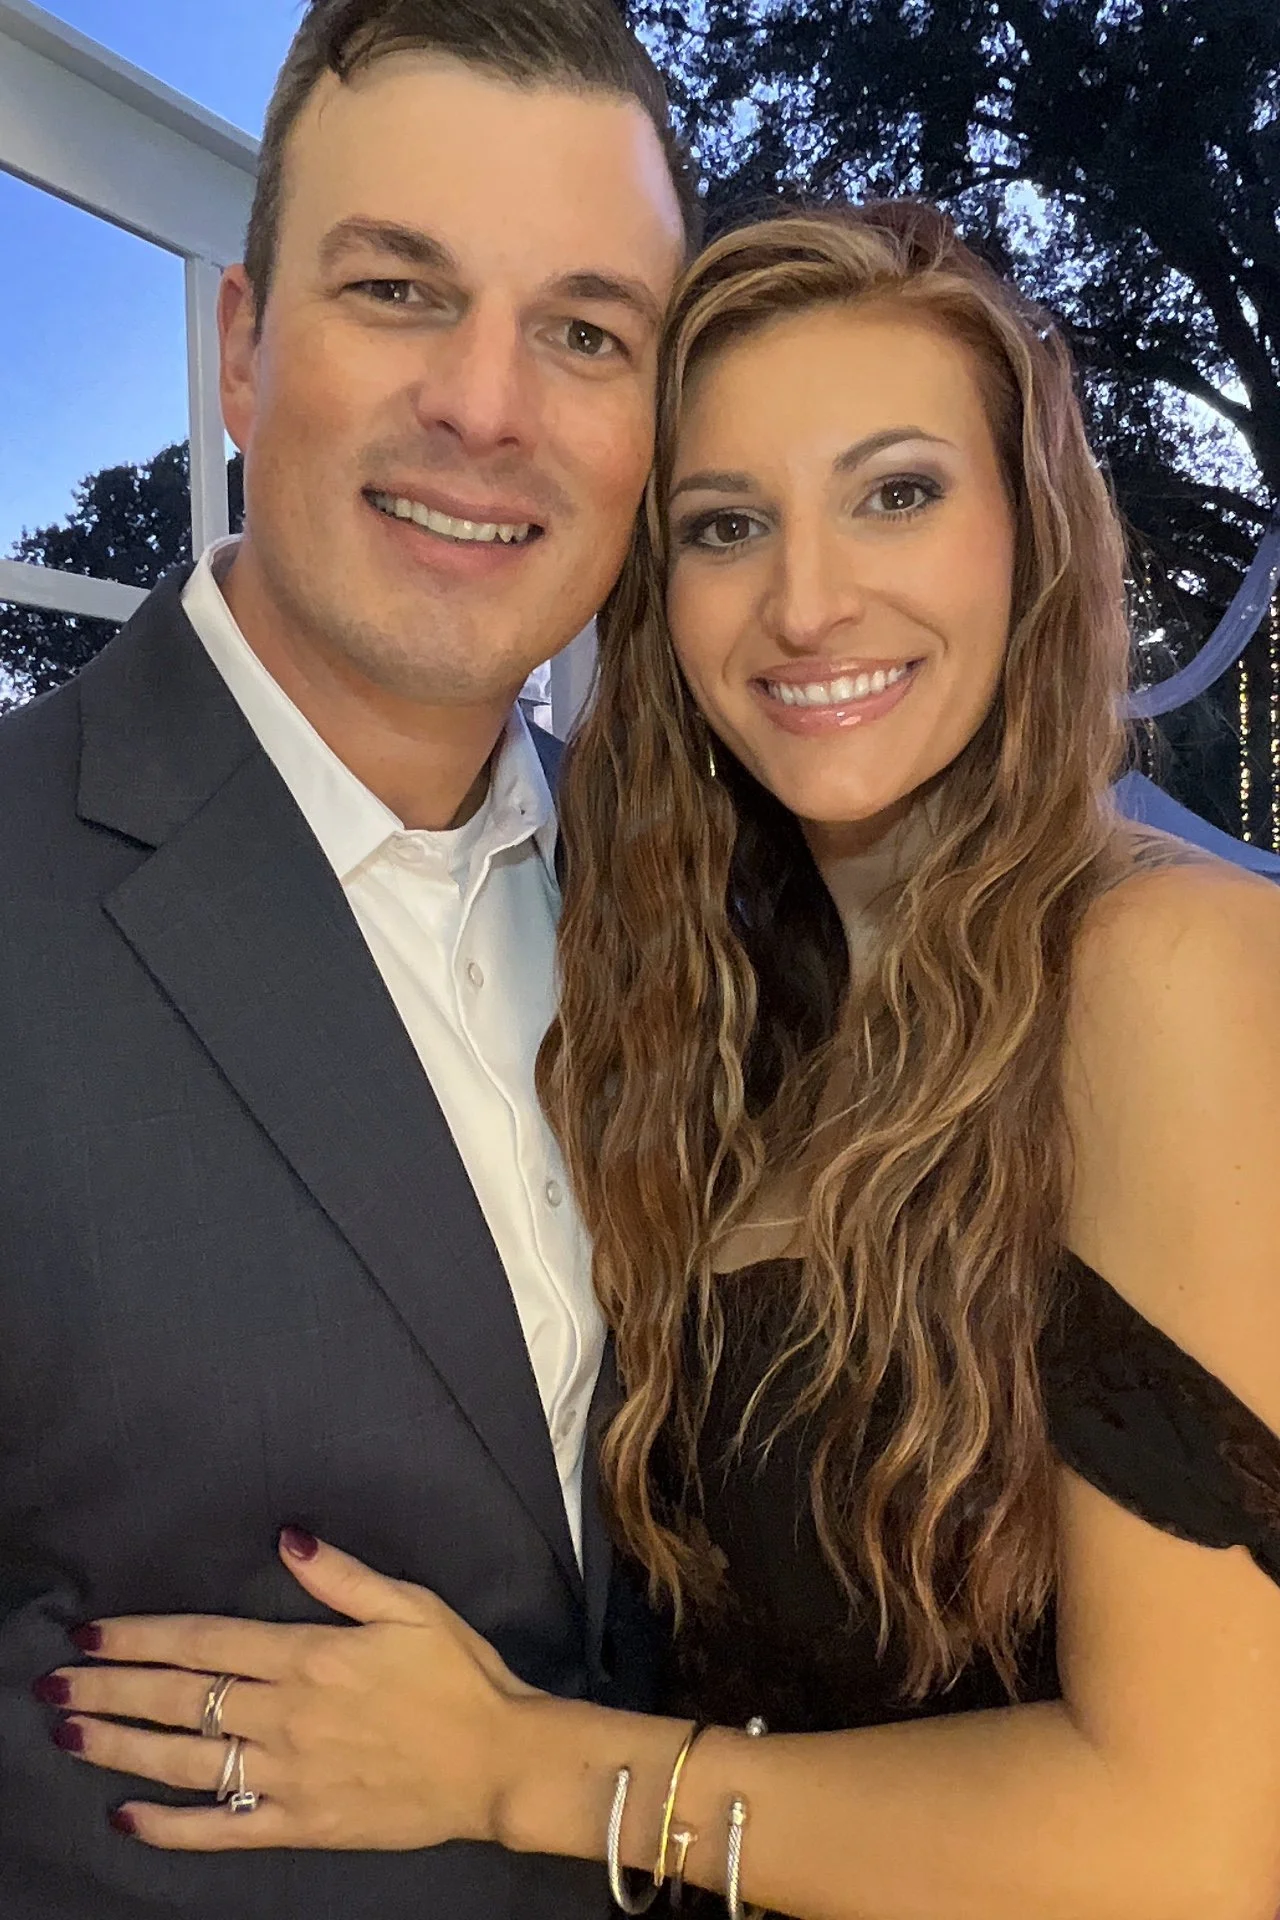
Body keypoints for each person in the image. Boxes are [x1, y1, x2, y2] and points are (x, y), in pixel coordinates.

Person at [37, 205, 1280, 1920]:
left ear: (1030, 535)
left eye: (898, 492)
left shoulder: (1169, 968)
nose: (808, 600)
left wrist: (514, 1769)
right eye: (726, 525)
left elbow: (1198, 1846)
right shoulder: (729, 1000)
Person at [1, 3, 692, 1917]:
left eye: (584, 331)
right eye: (400, 290)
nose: (486, 404)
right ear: (243, 346)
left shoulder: (693, 897)